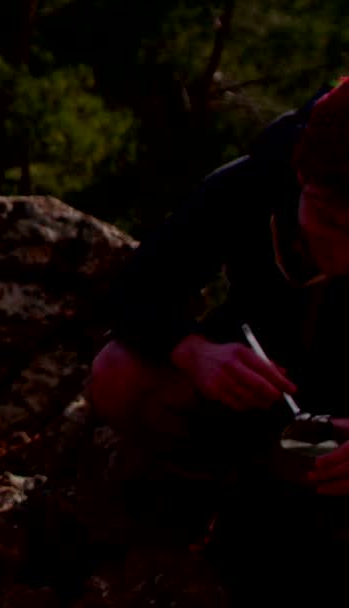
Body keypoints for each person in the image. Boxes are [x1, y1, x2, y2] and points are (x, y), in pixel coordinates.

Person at [88, 78, 347, 604]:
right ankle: (197, 500)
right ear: (300, 177)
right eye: (329, 219)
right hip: (254, 398)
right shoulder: (254, 183)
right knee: (119, 373)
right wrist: (192, 350)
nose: (341, 255)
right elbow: (136, 288)